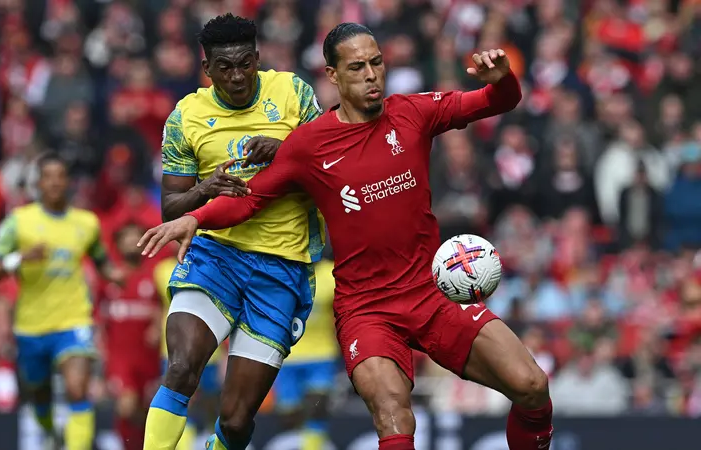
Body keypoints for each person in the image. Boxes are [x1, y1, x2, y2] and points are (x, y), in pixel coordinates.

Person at [138, 23, 553, 450]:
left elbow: (499, 101)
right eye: (357, 67)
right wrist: (196, 218)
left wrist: (501, 77)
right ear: (333, 76)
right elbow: (250, 199)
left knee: (532, 385)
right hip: (367, 309)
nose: (371, 75)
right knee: (393, 415)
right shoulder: (308, 144)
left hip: (432, 293)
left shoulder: (414, 112)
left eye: (377, 63)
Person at [143, 13, 326, 450]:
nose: (238, 75)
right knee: (183, 367)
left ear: (258, 58)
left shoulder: (293, 93)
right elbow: (172, 205)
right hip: (214, 258)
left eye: (246, 63)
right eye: (225, 67)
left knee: (238, 418)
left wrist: (285, 152)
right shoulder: (186, 116)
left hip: (281, 267)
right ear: (207, 69)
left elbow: (329, 165)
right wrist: (206, 188)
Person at [0, 152, 123, 450]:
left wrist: (117, 274)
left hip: (73, 319)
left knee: (77, 389)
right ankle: (49, 433)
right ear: (38, 183)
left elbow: (101, 261)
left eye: (61, 176)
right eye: (49, 177)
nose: (56, 182)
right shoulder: (18, 223)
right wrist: (20, 258)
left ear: (69, 182)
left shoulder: (87, 223)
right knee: (40, 395)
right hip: (31, 325)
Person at [98, 224, 163, 450]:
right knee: (126, 404)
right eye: (126, 239)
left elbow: (159, 308)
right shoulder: (111, 277)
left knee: (145, 410)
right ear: (118, 244)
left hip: (146, 356)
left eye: (136, 238)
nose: (131, 243)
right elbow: (98, 315)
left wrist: (156, 327)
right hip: (120, 355)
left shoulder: (152, 274)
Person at [153, 254, 227, 450]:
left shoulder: (219, 262)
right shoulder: (162, 270)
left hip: (212, 350)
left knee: (211, 404)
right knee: (185, 398)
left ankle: (215, 441)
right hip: (174, 350)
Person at [272, 257, 338, 450]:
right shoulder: (281, 271)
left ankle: (313, 445)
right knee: (289, 415)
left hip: (321, 355)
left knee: (317, 407)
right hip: (287, 356)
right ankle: (300, 442)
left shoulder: (330, 273)